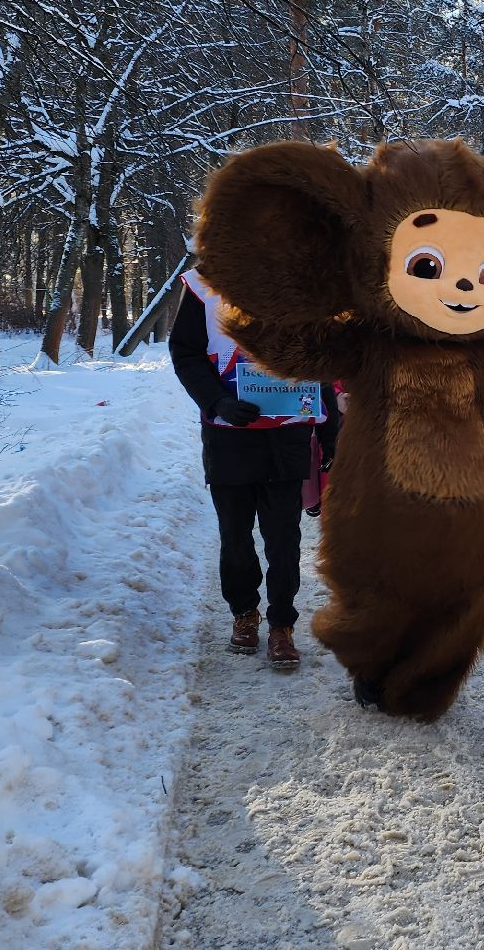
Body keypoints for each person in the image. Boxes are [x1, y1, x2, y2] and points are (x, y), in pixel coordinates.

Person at [170, 268, 339, 669]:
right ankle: (244, 614)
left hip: (287, 437)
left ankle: (282, 624)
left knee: (284, 539)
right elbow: (186, 352)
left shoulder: (308, 287)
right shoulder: (204, 285)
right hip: (229, 435)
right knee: (235, 535)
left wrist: (332, 433)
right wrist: (215, 401)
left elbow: (320, 364)